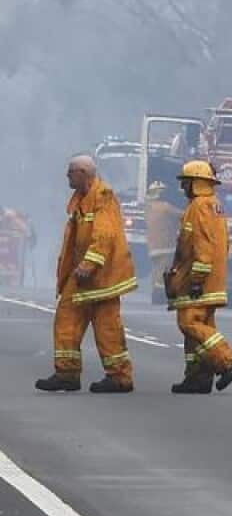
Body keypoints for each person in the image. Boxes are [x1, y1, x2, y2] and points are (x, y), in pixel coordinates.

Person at [36, 155, 138, 393]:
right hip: (84, 276)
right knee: (67, 318)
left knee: (107, 326)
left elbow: (105, 235)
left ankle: (120, 377)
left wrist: (89, 264)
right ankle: (67, 373)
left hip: (100, 277)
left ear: (83, 173)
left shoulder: (103, 198)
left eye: (71, 172)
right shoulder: (83, 199)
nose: (67, 176)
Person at [168, 161, 232, 394]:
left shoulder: (200, 207)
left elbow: (202, 246)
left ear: (196, 183)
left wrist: (195, 280)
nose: (182, 187)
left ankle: (228, 359)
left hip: (199, 282)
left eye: (186, 182)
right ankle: (198, 378)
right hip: (211, 280)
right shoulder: (214, 206)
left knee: (189, 323)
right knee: (199, 331)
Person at [144, 181, 183, 302]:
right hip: (165, 245)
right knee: (163, 270)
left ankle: (156, 293)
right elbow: (183, 216)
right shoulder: (165, 207)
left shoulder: (149, 208)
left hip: (153, 246)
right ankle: (159, 295)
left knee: (156, 270)